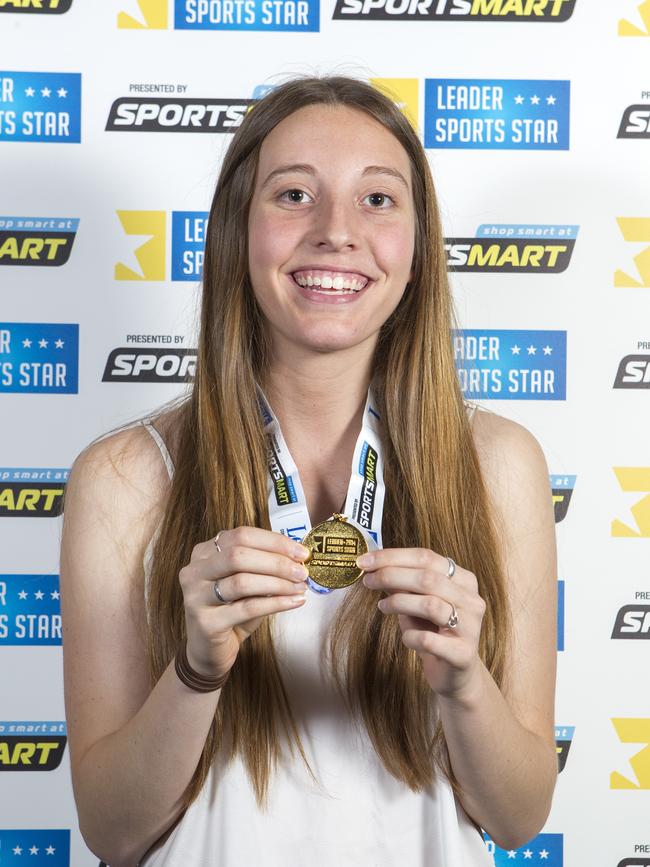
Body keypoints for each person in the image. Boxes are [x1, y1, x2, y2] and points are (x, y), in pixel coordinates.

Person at [60, 75, 558, 867]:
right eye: (294, 194)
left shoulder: (497, 463)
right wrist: (193, 672)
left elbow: (520, 815)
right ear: (235, 231)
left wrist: (465, 684)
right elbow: (112, 831)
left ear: (418, 249)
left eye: (378, 200)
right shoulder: (125, 477)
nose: (335, 231)